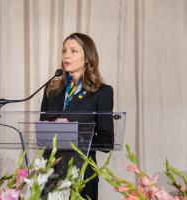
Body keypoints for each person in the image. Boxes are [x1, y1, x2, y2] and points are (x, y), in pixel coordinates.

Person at [40, 32, 114, 200]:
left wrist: (72, 133)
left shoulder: (102, 92)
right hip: (50, 174)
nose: (67, 55)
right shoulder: (51, 89)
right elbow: (42, 134)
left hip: (82, 176)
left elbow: (106, 141)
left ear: (87, 58)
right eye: (64, 50)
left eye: (73, 51)